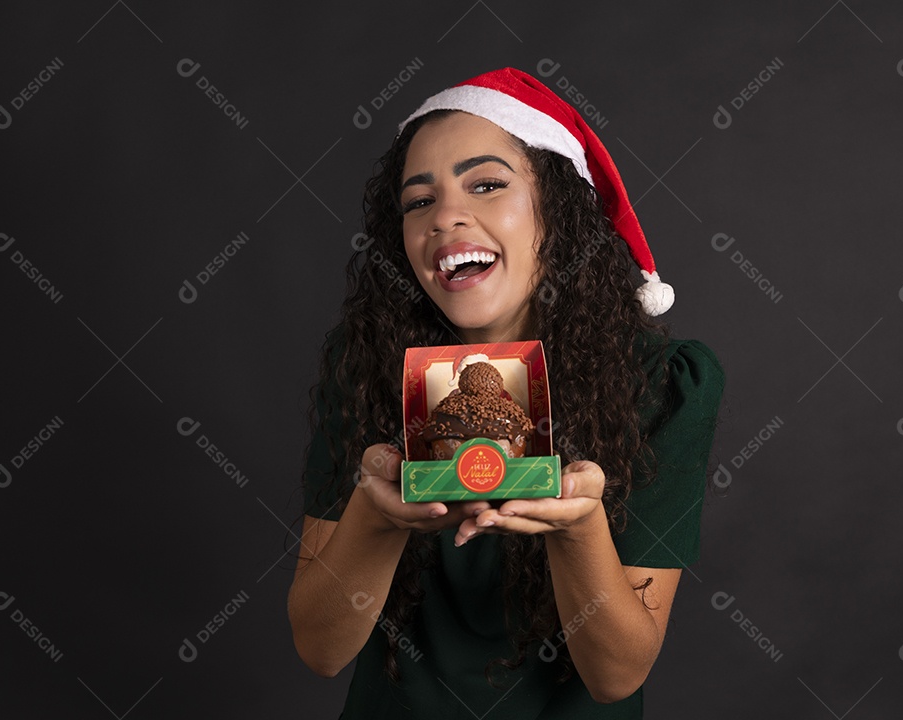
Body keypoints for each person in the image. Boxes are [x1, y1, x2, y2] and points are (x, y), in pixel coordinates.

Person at [288, 68, 724, 719]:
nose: (445, 217)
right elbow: (320, 649)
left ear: (558, 206)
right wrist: (373, 520)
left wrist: (578, 532)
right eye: (418, 201)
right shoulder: (365, 366)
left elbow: (616, 676)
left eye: (487, 185)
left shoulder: (660, 384)